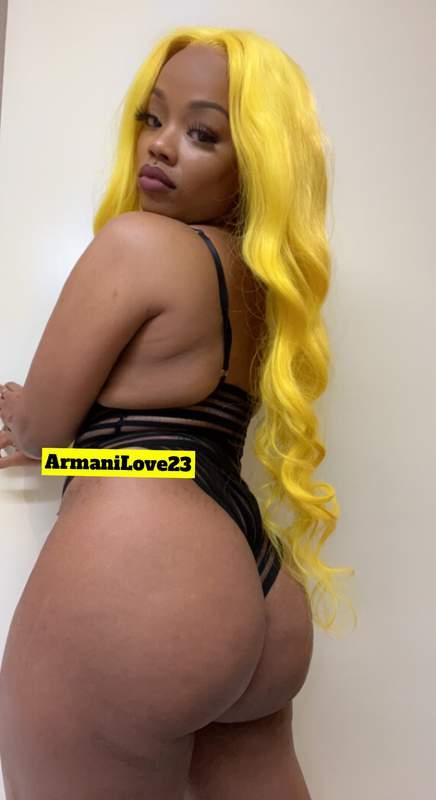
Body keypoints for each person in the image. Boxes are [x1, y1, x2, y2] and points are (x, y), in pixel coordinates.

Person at [0, 26, 355, 800]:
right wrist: (65, 450)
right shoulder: (262, 289)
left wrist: (27, 414)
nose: (161, 145)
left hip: (143, 581)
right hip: (258, 582)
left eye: (202, 134)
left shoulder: (137, 246)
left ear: (255, 163)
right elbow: (166, 451)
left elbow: (42, 431)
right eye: (152, 118)